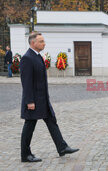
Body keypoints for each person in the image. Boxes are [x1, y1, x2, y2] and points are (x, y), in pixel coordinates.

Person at [20, 32, 79, 162]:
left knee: (52, 121)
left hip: (43, 99)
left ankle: (62, 147)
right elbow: (26, 82)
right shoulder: (27, 58)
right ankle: (25, 154)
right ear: (33, 43)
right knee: (29, 125)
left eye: (43, 41)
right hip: (33, 100)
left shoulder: (38, 56)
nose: (44, 43)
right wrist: (29, 101)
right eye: (41, 41)